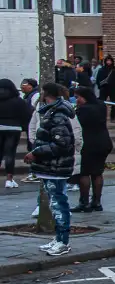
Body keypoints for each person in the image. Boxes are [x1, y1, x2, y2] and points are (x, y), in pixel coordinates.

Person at [24, 83, 76, 256]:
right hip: (51, 166)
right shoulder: (52, 112)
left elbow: (62, 143)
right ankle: (59, 238)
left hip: (55, 167)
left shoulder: (57, 115)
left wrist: (36, 152)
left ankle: (63, 241)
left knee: (59, 203)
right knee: (56, 203)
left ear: (46, 94)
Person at [71, 88, 112, 212]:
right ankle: (96, 202)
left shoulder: (83, 110)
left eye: (78, 97)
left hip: (88, 143)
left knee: (84, 173)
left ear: (85, 97)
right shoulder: (101, 105)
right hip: (104, 141)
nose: (76, 100)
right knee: (97, 173)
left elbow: (77, 126)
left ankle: (84, 203)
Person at [0, 79, 32, 189]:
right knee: (10, 153)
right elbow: (27, 115)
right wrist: (23, 127)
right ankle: (9, 179)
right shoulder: (18, 101)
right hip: (14, 128)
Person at [19, 79, 39, 183]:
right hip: (29, 125)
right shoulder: (28, 96)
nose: (21, 87)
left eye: (24, 85)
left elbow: (32, 111)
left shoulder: (35, 96)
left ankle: (34, 173)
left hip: (33, 126)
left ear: (30, 86)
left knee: (33, 148)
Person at [94, 56, 115, 122]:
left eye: (110, 61)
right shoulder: (101, 70)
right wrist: (100, 86)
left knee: (113, 103)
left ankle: (113, 117)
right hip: (103, 88)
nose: (108, 62)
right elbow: (98, 79)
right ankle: (102, 116)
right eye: (107, 61)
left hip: (113, 89)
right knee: (102, 103)